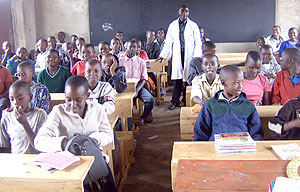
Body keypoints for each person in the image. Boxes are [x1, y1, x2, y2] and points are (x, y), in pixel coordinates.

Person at [34, 75, 117, 191]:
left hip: (95, 160)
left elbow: (108, 134)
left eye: (78, 100)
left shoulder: (98, 109)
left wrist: (92, 140)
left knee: (107, 186)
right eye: (68, 100)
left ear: (87, 96)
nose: (73, 105)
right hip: (68, 166)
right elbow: (39, 141)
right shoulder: (58, 112)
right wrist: (64, 143)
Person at [193, 65, 263, 141]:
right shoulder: (210, 105)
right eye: (236, 83)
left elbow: (256, 133)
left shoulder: (248, 106)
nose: (240, 86)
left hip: (242, 148)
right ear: (223, 83)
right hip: (216, 148)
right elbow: (201, 132)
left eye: (242, 82)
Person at [156, 5, 202, 110]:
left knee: (188, 79)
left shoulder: (193, 25)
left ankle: (186, 101)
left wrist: (196, 57)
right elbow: (168, 42)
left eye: (186, 11)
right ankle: (175, 101)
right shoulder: (173, 25)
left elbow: (197, 42)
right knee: (177, 79)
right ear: (178, 12)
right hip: (178, 54)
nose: (184, 13)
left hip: (189, 55)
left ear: (188, 13)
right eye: (182, 11)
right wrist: (162, 55)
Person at [0, 80, 47, 154]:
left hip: (35, 160)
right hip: (16, 161)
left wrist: (25, 124)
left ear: (30, 97)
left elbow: (41, 148)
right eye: (12, 99)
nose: (15, 103)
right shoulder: (7, 117)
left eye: (20, 98)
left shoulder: (40, 115)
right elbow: (5, 147)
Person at [119, 40, 154, 124]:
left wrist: (137, 89)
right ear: (126, 48)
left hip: (137, 87)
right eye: (130, 47)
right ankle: (128, 122)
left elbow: (144, 78)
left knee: (150, 100)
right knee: (124, 106)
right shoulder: (121, 61)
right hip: (125, 88)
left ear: (137, 49)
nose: (132, 49)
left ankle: (142, 117)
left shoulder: (141, 61)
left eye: (134, 47)